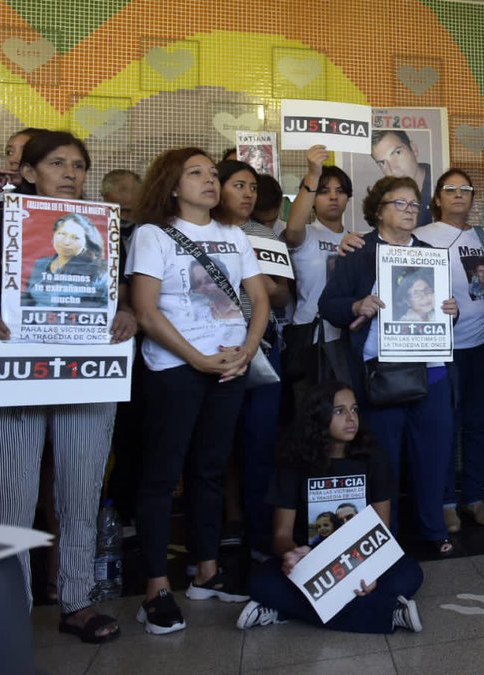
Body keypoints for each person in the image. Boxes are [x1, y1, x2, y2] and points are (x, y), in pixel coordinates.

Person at [0, 130, 136, 643]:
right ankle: (7, 610)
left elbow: (123, 296)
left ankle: (77, 601)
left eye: (78, 165)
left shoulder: (103, 231)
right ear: (29, 173)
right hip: (14, 376)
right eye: (57, 163)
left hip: (88, 374)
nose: (70, 174)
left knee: (80, 493)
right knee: (9, 499)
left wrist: (127, 316)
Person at [128, 147, 270, 634]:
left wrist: (247, 350)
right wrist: (197, 359)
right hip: (175, 369)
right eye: (196, 174)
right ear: (171, 184)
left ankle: (207, 571)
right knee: (162, 476)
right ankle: (155, 587)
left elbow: (259, 299)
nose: (210, 181)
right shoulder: (152, 235)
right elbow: (146, 312)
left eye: (213, 174)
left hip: (229, 367)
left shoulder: (235, 235)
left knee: (210, 471)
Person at [319, 175, 459, 557]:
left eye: (414, 204)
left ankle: (432, 529)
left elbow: (444, 311)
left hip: (432, 370)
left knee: (433, 457)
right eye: (400, 203)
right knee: (383, 461)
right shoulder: (360, 252)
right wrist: (357, 305)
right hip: (381, 374)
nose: (410, 210)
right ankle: (387, 537)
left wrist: (452, 310)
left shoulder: (431, 253)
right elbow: (328, 306)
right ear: (379, 209)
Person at [237, 381, 424, 633]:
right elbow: (281, 536)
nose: (351, 418)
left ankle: (283, 609)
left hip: (362, 558)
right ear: (318, 416)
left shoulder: (373, 456)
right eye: (339, 411)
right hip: (312, 564)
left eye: (355, 409)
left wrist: (371, 570)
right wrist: (294, 556)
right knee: (259, 581)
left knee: (410, 574)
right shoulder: (295, 461)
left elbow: (383, 530)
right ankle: (388, 614)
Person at [414, 169, 484, 533]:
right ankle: (446, 500)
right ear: (437, 198)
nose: (459, 195)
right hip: (443, 348)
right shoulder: (420, 236)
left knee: (478, 423)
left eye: (466, 190)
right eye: (451, 190)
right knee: (445, 425)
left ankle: (474, 496)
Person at [213, 159, 291, 556]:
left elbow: (281, 295)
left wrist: (257, 279)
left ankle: (261, 534)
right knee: (217, 444)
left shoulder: (264, 234)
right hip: (211, 352)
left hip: (262, 348)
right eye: (238, 185)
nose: (247, 194)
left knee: (260, 442)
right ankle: (227, 521)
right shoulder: (198, 232)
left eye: (252, 188)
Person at [281, 145, 353, 387]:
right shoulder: (306, 235)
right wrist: (313, 174)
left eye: (340, 191)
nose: (333, 196)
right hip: (308, 335)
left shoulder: (358, 240)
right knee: (309, 410)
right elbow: (292, 228)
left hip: (348, 335)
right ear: (312, 200)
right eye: (324, 191)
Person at [23, 213, 108, 308]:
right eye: (62, 234)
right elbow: (28, 297)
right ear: (54, 235)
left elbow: (108, 306)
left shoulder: (98, 271)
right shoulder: (41, 264)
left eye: (75, 237)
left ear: (86, 243)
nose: (66, 242)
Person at [370, 130, 432, 226]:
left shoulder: (441, 180)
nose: (393, 169)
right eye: (382, 163)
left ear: (413, 149)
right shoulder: (385, 200)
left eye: (397, 153)